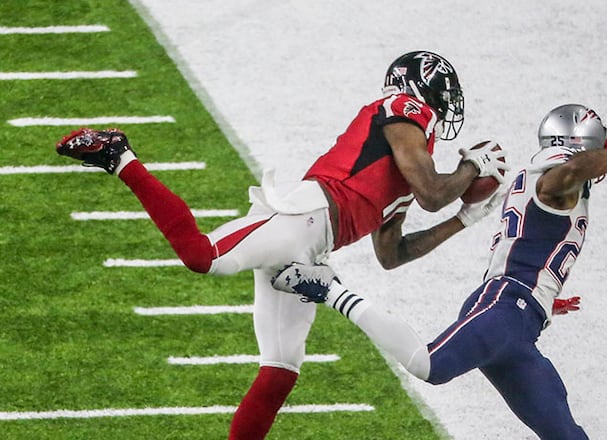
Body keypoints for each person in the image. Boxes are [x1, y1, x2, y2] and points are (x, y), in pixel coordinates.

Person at [54, 51, 509, 439]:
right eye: (441, 98)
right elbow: (434, 192)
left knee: (280, 369)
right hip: (300, 217)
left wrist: (464, 218)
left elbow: (393, 255)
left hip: (314, 247)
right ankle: (120, 156)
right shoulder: (404, 107)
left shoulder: (409, 173)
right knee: (202, 256)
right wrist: (471, 168)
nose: (444, 110)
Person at [272, 104, 607, 439]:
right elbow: (571, 172)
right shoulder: (559, 179)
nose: (604, 158)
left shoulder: (548, 180)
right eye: (600, 150)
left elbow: (528, 244)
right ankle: (331, 291)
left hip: (521, 318)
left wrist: (542, 297)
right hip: (503, 308)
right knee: (429, 366)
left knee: (566, 435)